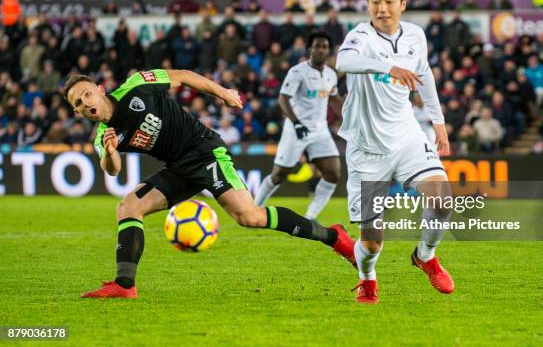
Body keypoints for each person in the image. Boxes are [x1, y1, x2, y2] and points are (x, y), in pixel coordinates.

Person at [63, 69, 356, 299]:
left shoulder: (137, 85)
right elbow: (111, 169)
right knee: (128, 207)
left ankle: (335, 237)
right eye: (78, 103)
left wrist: (223, 93)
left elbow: (183, 77)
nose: (85, 103)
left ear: (100, 90)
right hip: (178, 168)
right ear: (76, 112)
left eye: (87, 94)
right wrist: (112, 153)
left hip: (203, 151)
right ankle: (124, 284)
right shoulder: (104, 137)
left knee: (250, 217)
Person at [335, 0, 455, 304]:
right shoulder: (359, 37)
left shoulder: (416, 35)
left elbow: (425, 74)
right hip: (366, 149)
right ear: (367, 4)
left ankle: (426, 256)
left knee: (442, 199)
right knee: (372, 242)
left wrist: (439, 122)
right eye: (375, 2)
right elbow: (344, 61)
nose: (382, 8)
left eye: (389, 1)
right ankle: (367, 277)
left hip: (406, 138)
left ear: (403, 2)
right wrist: (387, 67)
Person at [255, 32, 343, 220]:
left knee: (333, 173)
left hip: (320, 130)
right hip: (296, 129)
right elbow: (283, 99)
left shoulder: (330, 75)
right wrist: (296, 123)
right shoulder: (297, 72)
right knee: (279, 174)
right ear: (309, 49)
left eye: (324, 47)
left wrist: (349, 122)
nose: (321, 50)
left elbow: (335, 100)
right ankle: (255, 208)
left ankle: (310, 216)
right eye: (317, 46)